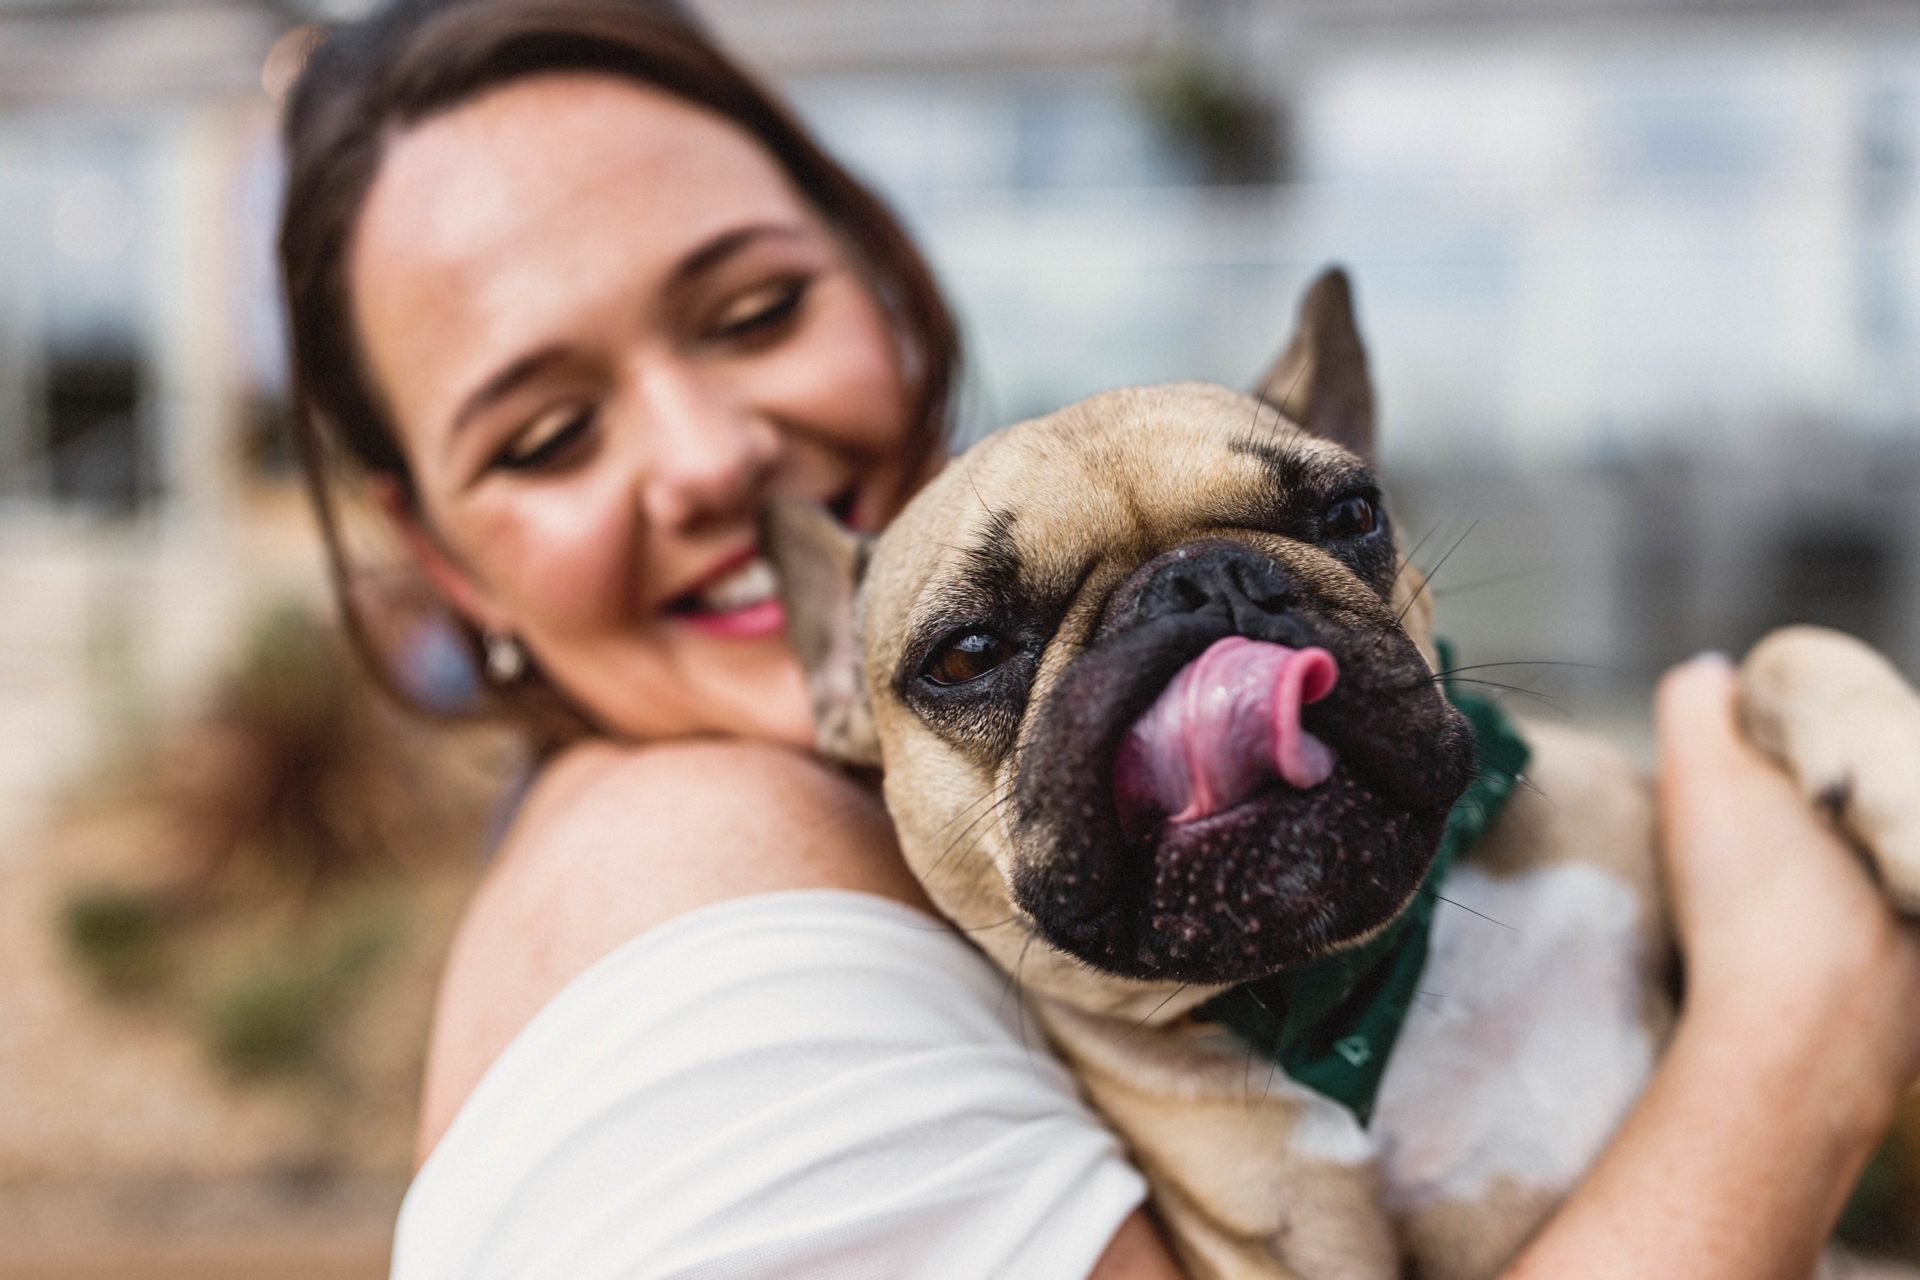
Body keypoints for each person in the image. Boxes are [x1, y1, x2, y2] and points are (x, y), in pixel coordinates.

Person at [275, 1, 1920, 1276]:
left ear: (892, 280)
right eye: (547, 433)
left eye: (760, 310)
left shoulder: (864, 833)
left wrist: (1800, 697)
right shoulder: (696, 892)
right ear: (435, 551)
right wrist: (1800, 1032)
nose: (711, 454)